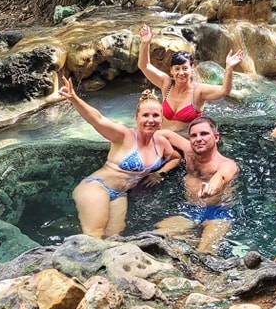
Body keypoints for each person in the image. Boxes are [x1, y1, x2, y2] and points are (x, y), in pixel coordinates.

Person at [59, 76, 181, 238]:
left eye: (155, 116)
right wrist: (74, 98)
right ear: (136, 118)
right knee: (94, 235)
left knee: (114, 240)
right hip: (97, 186)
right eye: (145, 115)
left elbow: (176, 157)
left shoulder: (161, 142)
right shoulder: (124, 135)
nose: (150, 120)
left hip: (120, 195)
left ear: (161, 119)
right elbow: (97, 119)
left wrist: (160, 173)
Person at [156, 116, 239, 253]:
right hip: (190, 210)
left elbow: (222, 177)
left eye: (204, 134)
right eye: (193, 136)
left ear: (216, 137)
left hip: (218, 212)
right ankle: (190, 240)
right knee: (159, 237)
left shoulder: (227, 164)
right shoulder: (189, 151)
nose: (198, 139)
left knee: (204, 253)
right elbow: (163, 134)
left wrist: (211, 188)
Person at [138, 23, 245, 130]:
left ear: (192, 68)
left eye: (185, 68)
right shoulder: (166, 84)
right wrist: (145, 43)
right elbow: (144, 65)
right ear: (171, 70)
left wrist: (229, 68)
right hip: (162, 138)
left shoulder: (198, 91)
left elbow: (224, 90)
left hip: (185, 141)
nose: (181, 73)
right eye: (177, 69)